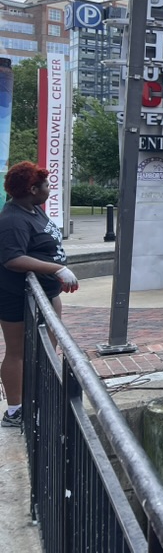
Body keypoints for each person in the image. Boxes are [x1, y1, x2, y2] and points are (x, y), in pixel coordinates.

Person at [0, 162, 79, 429]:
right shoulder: (12, 220)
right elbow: (12, 259)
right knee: (18, 352)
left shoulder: (34, 209)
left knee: (47, 350)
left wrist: (56, 276)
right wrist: (57, 269)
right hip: (16, 295)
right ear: (33, 189)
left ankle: (39, 397)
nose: (49, 189)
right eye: (46, 185)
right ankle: (15, 411)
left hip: (47, 292)